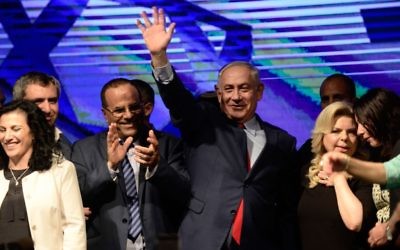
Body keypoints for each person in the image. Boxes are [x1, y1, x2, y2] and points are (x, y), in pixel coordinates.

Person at [137, 7, 298, 250]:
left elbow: (285, 207)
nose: (236, 97)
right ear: (219, 92)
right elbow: (178, 101)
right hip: (203, 238)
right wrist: (160, 58)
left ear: (259, 92)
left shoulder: (282, 142)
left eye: (244, 88)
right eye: (229, 89)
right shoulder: (204, 122)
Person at [71, 77, 190, 250]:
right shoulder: (84, 149)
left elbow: (184, 194)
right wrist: (109, 166)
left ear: (143, 108)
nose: (128, 115)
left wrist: (157, 166)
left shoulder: (167, 145)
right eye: (119, 110)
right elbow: (77, 195)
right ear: (105, 114)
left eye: (134, 107)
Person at [0, 100, 86, 249]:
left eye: (15, 129)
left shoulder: (61, 170)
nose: (7, 137)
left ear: (33, 132)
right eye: (2, 130)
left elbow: (74, 228)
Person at [322, 88, 400, 248]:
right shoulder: (379, 153)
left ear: (380, 116)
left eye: (363, 123)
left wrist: (391, 225)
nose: (359, 132)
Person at [297, 101, 375, 250]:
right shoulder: (307, 171)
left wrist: (339, 179)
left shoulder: (364, 175)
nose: (344, 137)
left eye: (351, 131)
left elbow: (354, 223)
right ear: (322, 135)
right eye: (336, 131)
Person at [297, 73, 356, 172]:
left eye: (337, 98)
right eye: (325, 99)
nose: (331, 104)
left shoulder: (368, 145)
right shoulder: (308, 151)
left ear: (353, 101)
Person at [13, 71, 72, 159]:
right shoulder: (6, 142)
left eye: (52, 101)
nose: (47, 109)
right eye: (38, 101)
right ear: (18, 104)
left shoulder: (65, 144)